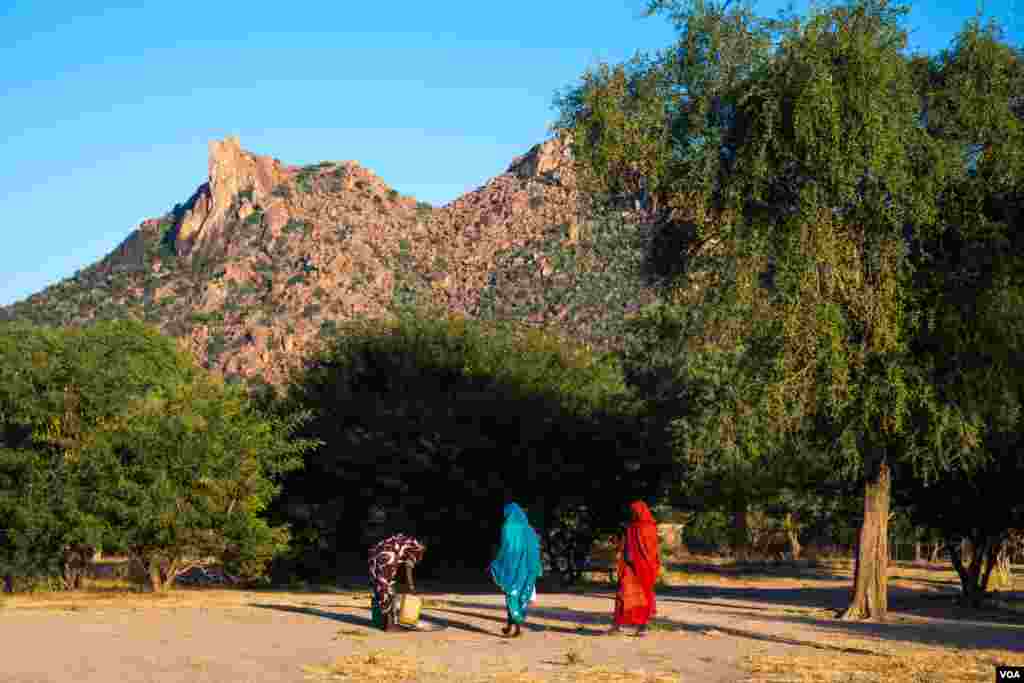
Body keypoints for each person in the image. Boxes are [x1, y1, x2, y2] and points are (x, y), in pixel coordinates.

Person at [489, 503, 543, 638]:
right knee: (521, 597)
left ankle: (512, 625)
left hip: (512, 568)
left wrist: (497, 563)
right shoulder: (529, 529)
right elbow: (536, 549)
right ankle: (514, 626)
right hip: (526, 569)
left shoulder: (507, 527)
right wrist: (536, 567)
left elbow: (506, 548)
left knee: (511, 596)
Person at [608, 501, 661, 636]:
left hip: (643, 568)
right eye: (632, 511)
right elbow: (624, 546)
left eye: (635, 511)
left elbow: (651, 549)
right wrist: (618, 542)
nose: (633, 513)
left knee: (643, 596)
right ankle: (617, 625)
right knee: (622, 594)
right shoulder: (631, 527)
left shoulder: (648, 527)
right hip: (629, 567)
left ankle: (642, 626)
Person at [368, 533, 426, 632]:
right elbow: (408, 567)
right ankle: (389, 626)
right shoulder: (417, 548)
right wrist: (411, 588)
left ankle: (380, 622)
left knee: (379, 587)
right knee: (387, 590)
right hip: (387, 558)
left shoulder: (400, 540)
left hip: (375, 557)